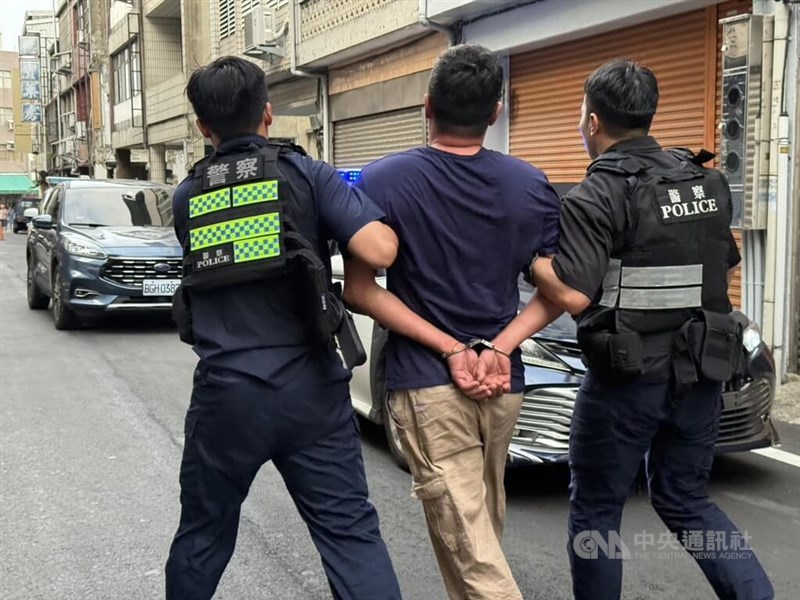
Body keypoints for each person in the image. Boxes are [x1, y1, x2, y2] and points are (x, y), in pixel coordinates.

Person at [525, 59, 774, 600]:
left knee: (596, 513)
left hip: (625, 382)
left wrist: (530, 261)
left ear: (592, 122)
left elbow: (573, 292)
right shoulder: (704, 180)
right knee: (686, 499)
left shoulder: (596, 195)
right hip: (701, 372)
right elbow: (721, 266)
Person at [164, 56, 403, 600]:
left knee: (202, 536)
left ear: (204, 127)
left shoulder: (187, 197)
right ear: (268, 114)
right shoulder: (307, 174)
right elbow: (380, 250)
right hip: (310, 394)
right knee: (351, 538)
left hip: (226, 396)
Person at [343, 43, 562, 600]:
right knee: (478, 526)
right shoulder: (531, 184)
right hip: (501, 380)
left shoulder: (383, 181)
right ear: (496, 111)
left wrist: (451, 349)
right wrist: (498, 347)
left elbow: (361, 291)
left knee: (470, 538)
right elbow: (561, 292)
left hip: (427, 385)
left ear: (426, 106)